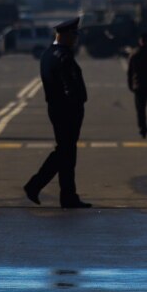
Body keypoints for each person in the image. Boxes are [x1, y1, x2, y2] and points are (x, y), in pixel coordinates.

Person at [24, 18, 92, 209]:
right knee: (65, 153)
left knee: (66, 153)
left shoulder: (47, 54)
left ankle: (67, 195)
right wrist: (77, 102)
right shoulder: (64, 56)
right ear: (63, 35)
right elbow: (69, 85)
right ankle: (35, 185)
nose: (76, 38)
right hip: (68, 111)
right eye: (73, 35)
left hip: (55, 109)